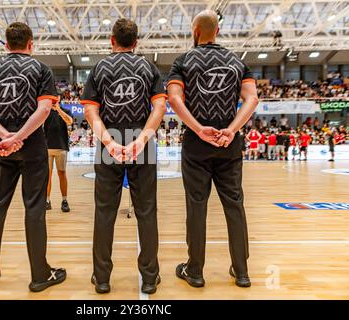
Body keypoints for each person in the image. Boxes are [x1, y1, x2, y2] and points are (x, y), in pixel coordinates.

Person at [167, 10, 259, 288]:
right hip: (229, 143)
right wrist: (232, 129)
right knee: (234, 205)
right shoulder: (237, 62)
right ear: (217, 31)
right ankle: (241, 271)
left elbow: (174, 98)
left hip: (197, 144)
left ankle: (194, 271)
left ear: (195, 31)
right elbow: (252, 98)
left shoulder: (183, 61)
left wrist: (197, 128)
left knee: (196, 207)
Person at [0, 22, 66, 292]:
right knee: (34, 208)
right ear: (30, 44)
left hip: (0, 146)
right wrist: (20, 137)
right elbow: (45, 108)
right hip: (32, 145)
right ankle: (40, 275)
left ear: (5, 44)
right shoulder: (40, 69)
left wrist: (6, 136)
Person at [82, 18, 166, 294]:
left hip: (110, 142)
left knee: (105, 212)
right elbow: (159, 107)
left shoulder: (99, 68)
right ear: (136, 42)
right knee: (147, 211)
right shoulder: (148, 67)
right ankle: (150, 277)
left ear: (112, 40)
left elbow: (90, 112)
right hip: (143, 144)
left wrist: (109, 142)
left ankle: (102, 278)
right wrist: (141, 139)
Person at [44, 100, 73, 212]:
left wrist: (58, 109)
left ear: (59, 99)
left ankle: (64, 200)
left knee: (62, 173)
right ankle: (47, 200)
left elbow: (69, 121)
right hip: (47, 148)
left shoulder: (65, 110)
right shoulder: (45, 111)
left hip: (61, 147)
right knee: (48, 175)